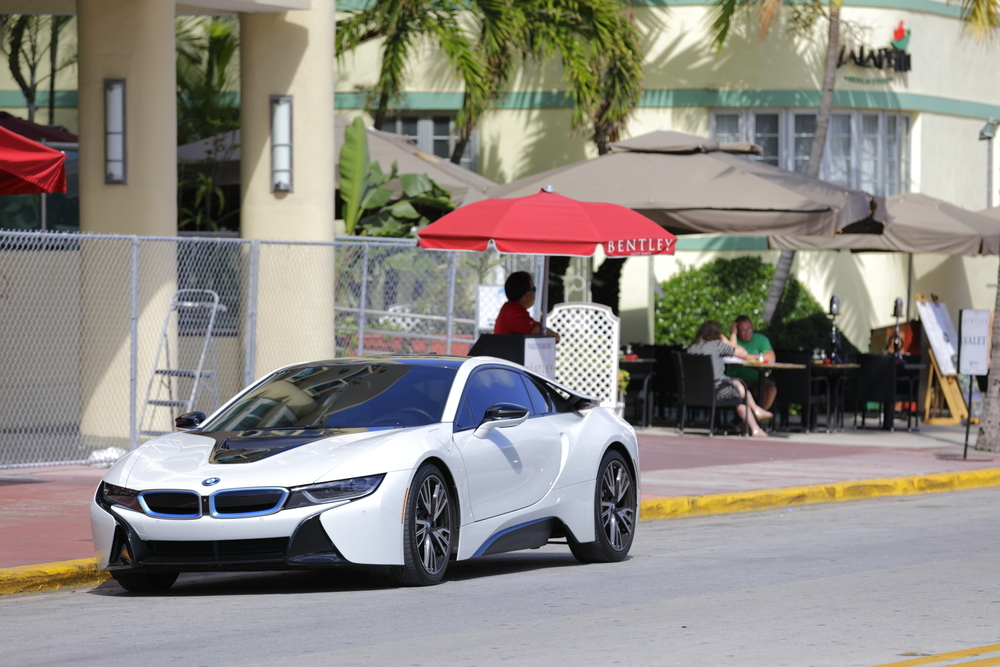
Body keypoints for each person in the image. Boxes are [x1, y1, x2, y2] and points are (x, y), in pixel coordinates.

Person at [687, 319, 772, 437]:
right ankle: (756, 420)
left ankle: (756, 422)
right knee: (741, 392)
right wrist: (726, 340)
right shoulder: (716, 345)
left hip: (694, 391)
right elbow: (743, 353)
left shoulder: (691, 349)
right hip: (717, 391)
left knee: (737, 384)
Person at [726, 315, 777, 410]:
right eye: (743, 330)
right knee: (741, 389)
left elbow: (771, 358)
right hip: (737, 379)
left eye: (749, 329)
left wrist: (745, 356)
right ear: (738, 331)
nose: (748, 333)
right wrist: (733, 334)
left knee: (771, 389)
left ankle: (757, 418)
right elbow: (732, 352)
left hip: (756, 379)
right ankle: (751, 420)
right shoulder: (732, 340)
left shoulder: (761, 339)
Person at [493, 271, 560, 342]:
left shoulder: (509, 308)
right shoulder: (514, 312)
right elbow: (539, 331)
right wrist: (554, 334)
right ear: (527, 294)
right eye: (534, 289)